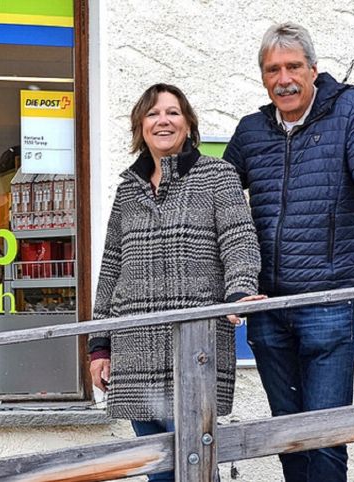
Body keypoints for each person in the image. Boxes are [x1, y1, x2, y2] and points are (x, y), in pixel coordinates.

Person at [223, 22, 354, 482]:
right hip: (269, 306)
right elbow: (217, 200)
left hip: (329, 303)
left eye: (293, 66)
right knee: (287, 435)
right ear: (263, 78)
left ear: (314, 69)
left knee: (327, 435)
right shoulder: (252, 131)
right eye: (273, 69)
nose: (284, 78)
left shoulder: (351, 111)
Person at [88, 83, 262, 482]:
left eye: (172, 112)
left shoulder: (217, 175)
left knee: (196, 464)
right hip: (134, 352)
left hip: (194, 347)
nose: (162, 120)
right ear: (140, 126)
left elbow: (239, 238)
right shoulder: (127, 189)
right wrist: (100, 346)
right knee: (157, 470)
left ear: (188, 124)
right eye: (152, 114)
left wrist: (238, 289)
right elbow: (112, 267)